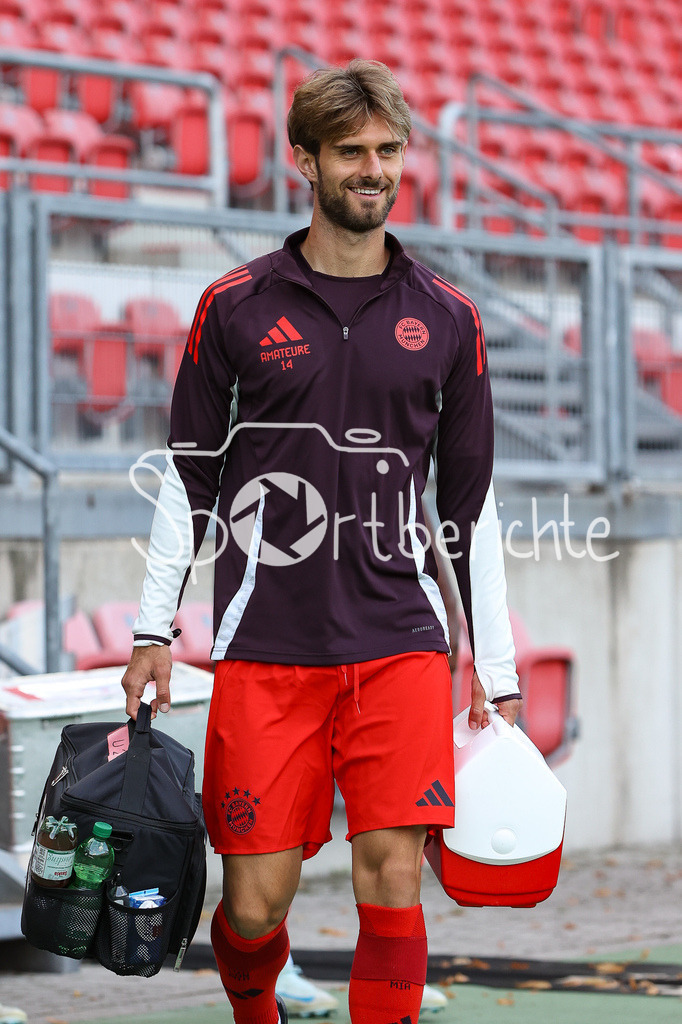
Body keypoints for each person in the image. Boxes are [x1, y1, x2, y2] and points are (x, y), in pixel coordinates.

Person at [122, 59, 522, 1024]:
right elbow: (187, 478)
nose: (372, 170)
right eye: (351, 152)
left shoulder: (448, 317)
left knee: (394, 878)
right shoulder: (235, 306)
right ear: (305, 159)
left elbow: (472, 506)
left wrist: (494, 665)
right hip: (268, 649)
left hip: (402, 643)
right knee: (254, 905)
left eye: (388, 151)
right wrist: (151, 633)